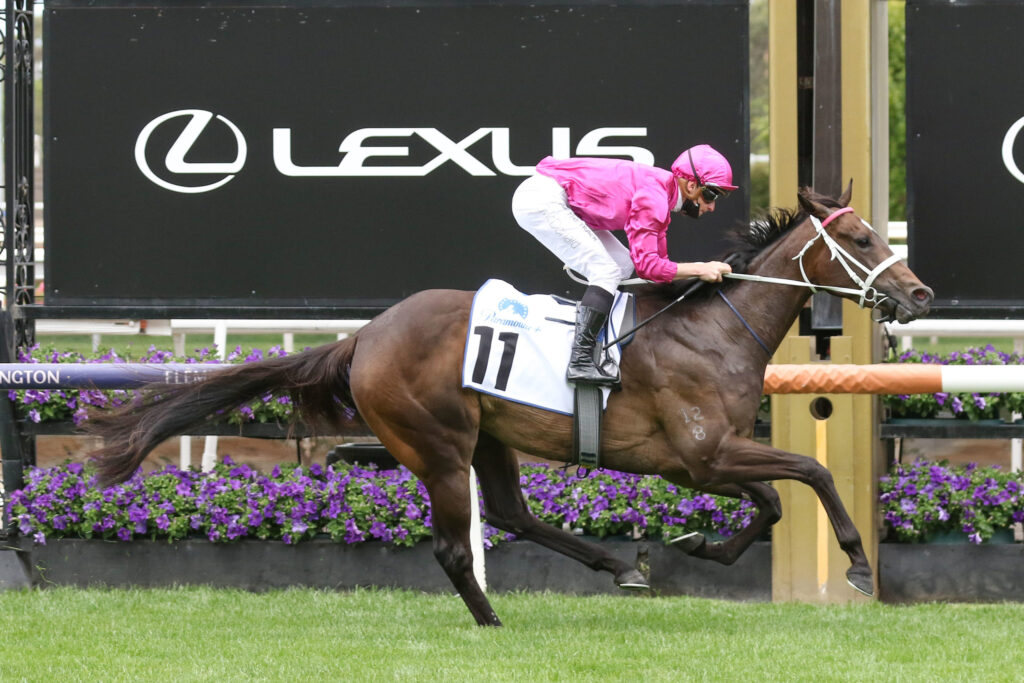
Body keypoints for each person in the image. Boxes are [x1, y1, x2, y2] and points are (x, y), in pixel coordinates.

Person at [511, 144, 737, 385]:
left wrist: (701, 271)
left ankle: (601, 342)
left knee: (623, 265)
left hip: (556, 198)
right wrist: (702, 269)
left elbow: (657, 268)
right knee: (606, 271)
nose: (712, 206)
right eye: (711, 195)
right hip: (542, 199)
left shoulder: (663, 194)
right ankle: (580, 361)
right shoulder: (655, 197)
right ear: (691, 186)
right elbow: (649, 268)